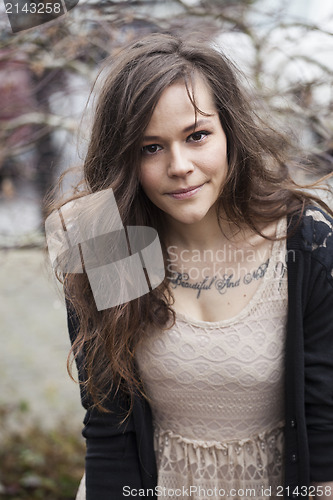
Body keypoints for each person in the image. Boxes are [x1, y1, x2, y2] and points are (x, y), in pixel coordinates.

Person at [50, 33, 333, 500]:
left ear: (230, 133)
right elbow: (109, 431)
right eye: (150, 147)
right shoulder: (106, 242)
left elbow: (325, 436)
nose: (179, 165)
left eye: (197, 135)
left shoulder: (307, 241)